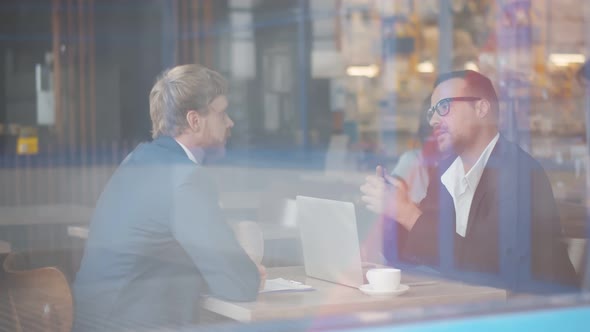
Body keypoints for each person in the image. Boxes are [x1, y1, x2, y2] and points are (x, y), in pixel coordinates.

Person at [73, 64, 264, 331]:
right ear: (195, 121)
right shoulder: (185, 178)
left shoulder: (137, 160)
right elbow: (240, 285)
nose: (230, 122)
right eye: (222, 113)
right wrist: (248, 270)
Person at [361, 70, 578, 291]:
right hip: (473, 303)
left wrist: (406, 212)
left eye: (444, 107)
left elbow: (489, 265)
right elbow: (420, 251)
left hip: (537, 313)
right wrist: (393, 214)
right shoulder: (447, 169)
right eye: (432, 112)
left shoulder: (519, 173)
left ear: (481, 108)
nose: (434, 120)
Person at [390, 95, 442, 204]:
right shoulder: (411, 161)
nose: (431, 124)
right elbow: (391, 204)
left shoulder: (460, 166)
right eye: (427, 119)